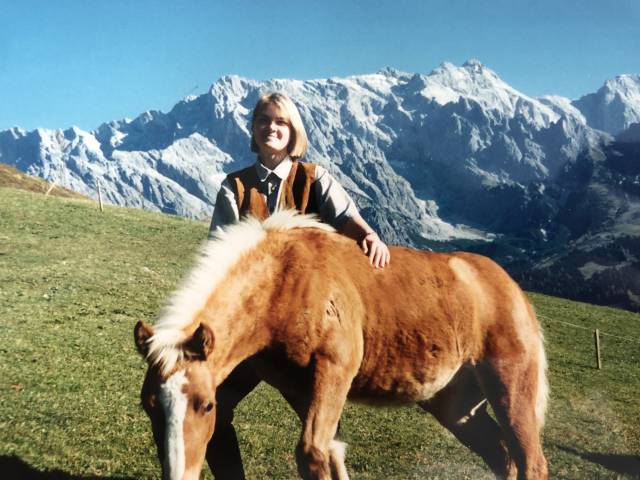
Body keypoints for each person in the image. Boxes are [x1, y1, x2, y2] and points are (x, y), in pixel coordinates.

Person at [206, 91, 390, 478]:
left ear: (293, 132)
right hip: (249, 335)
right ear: (253, 131)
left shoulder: (314, 178)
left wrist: (369, 235)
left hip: (301, 337)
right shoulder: (234, 188)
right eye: (263, 121)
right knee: (212, 404)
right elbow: (217, 258)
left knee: (322, 431)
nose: (271, 128)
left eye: (281, 122)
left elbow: (347, 217)